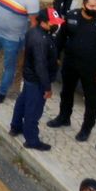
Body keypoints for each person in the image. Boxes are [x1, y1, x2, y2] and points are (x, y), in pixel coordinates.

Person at [49, 0, 96, 140]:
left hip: (92, 68)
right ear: (84, 5)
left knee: (91, 99)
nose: (95, 9)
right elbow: (60, 39)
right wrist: (55, 57)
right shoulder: (71, 16)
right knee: (66, 92)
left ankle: (87, 128)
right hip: (70, 63)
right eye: (91, 6)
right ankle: (64, 117)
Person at [10, 9, 57, 151]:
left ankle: (16, 126)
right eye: (53, 23)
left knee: (23, 101)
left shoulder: (34, 32)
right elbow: (40, 66)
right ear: (43, 23)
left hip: (30, 77)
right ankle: (32, 140)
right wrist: (47, 87)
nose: (56, 25)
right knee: (33, 110)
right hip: (37, 80)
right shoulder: (41, 40)